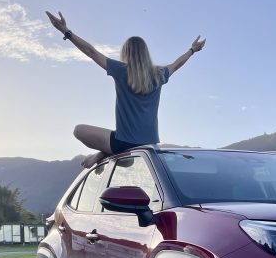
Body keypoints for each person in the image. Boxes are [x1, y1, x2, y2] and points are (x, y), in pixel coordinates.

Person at [45, 10, 205, 167]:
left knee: (78, 130)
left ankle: (104, 152)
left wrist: (66, 31)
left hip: (123, 144)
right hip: (150, 146)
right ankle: (104, 153)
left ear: (126, 53)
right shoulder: (159, 74)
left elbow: (91, 52)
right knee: (113, 143)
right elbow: (177, 64)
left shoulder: (121, 70)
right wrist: (192, 50)